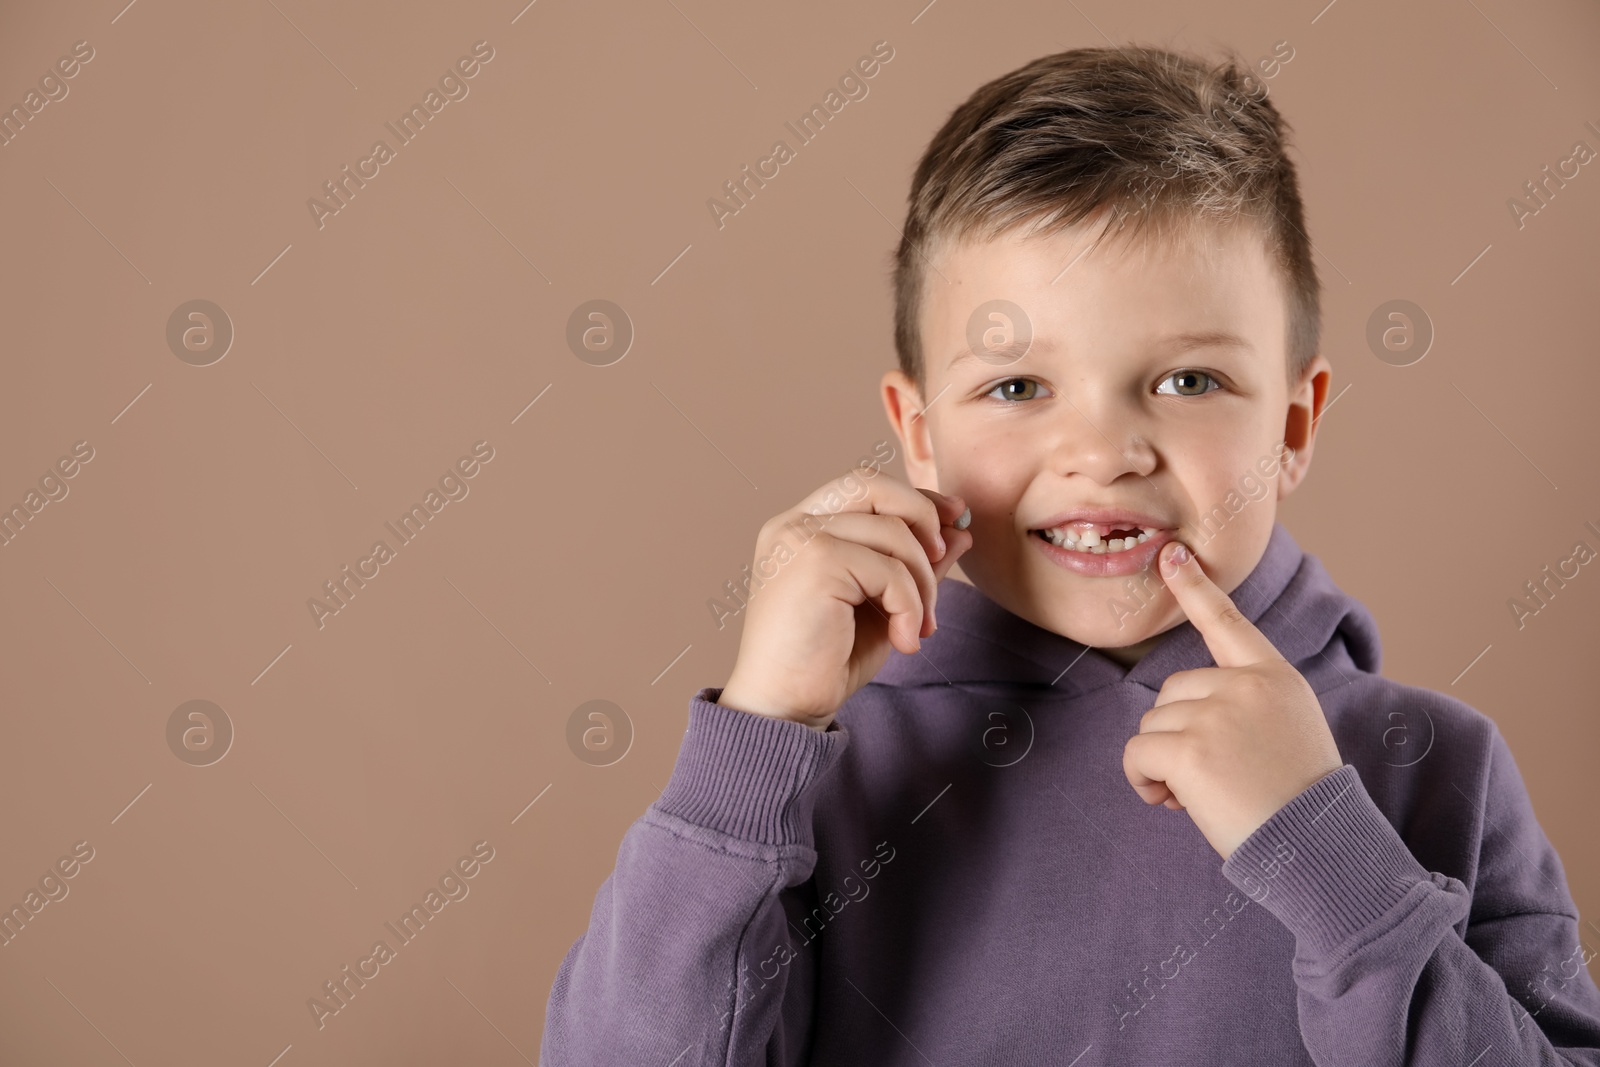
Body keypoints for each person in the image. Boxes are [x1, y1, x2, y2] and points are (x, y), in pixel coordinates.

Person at [540, 43, 1600, 1064]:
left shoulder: (1434, 761)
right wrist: (756, 736)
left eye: (1187, 380)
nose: (1101, 454)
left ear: (1291, 423)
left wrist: (1330, 859)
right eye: (1015, 386)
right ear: (918, 434)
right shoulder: (816, 772)